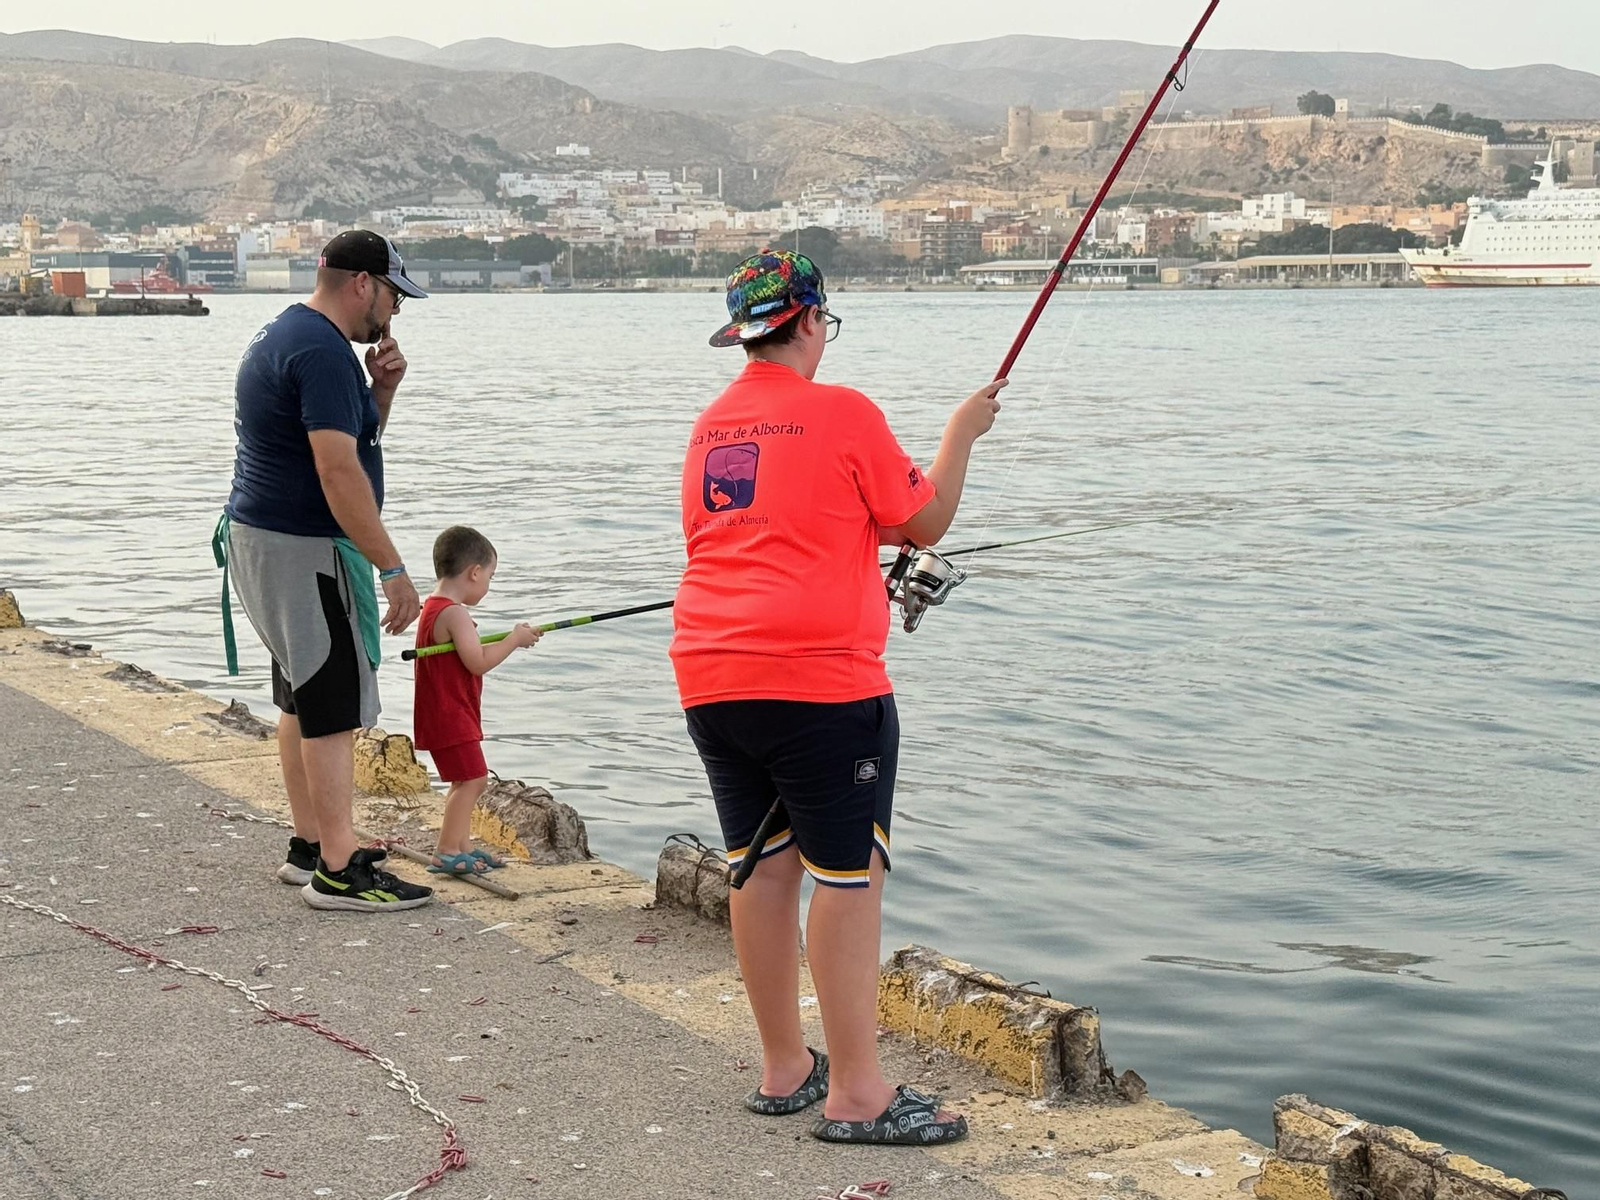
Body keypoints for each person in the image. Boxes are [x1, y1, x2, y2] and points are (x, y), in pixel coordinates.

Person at [670, 249, 1006, 1144]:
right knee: (847, 878)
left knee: (760, 865)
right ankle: (858, 1094)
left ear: (744, 335)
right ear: (811, 321)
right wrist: (961, 434)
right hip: (820, 684)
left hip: (710, 674)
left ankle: (785, 1068)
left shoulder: (711, 427)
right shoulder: (842, 410)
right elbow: (922, 520)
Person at [218, 229, 434, 913]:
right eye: (395, 297)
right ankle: (339, 872)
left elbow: (350, 441)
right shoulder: (321, 353)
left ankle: (311, 845)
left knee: (299, 694)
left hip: (261, 537)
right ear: (363, 284)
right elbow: (338, 472)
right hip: (301, 548)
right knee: (333, 698)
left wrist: (383, 391)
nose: (394, 314)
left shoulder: (288, 333)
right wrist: (393, 568)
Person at [412, 525, 543, 873]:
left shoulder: (434, 607)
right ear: (474, 572)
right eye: (490, 577)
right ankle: (445, 851)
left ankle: (461, 846)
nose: (488, 585)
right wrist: (514, 640)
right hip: (450, 713)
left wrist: (514, 638)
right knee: (474, 780)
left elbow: (468, 653)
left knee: (463, 779)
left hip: (444, 712)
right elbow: (478, 662)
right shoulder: (454, 614)